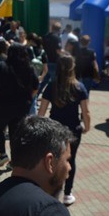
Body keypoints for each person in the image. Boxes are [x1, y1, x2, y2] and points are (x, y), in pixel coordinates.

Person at [38, 55, 90, 206]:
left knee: (53, 160)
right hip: (73, 129)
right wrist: (87, 126)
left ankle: (51, 191)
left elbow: (42, 110)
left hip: (55, 129)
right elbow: (86, 111)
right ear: (72, 68)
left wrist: (41, 126)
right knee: (70, 160)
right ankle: (67, 194)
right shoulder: (79, 87)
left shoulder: (52, 85)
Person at [0, 43, 39, 168]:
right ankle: (14, 161)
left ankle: (2, 154)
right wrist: (29, 99)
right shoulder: (29, 68)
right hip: (21, 108)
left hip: (1, 107)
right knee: (15, 135)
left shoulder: (0, 66)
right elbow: (35, 87)